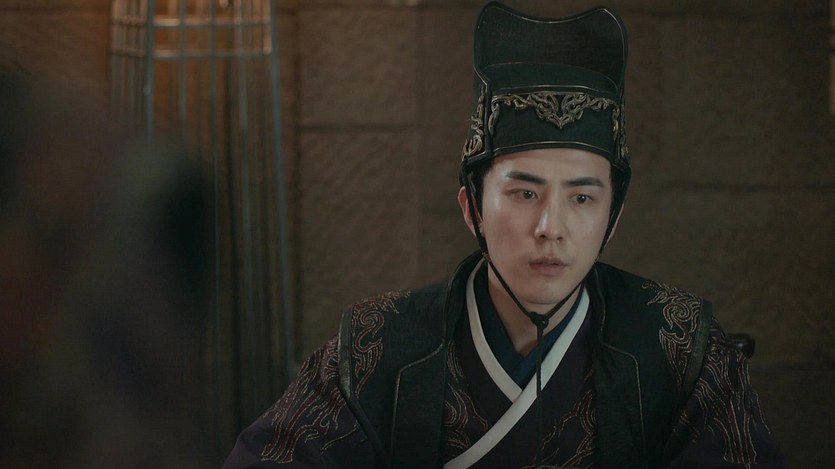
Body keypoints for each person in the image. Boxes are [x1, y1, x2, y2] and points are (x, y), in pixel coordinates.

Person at [223, 2, 784, 467]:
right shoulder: (377, 347)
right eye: (524, 193)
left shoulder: (680, 346)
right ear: (471, 207)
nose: (550, 228)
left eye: (582, 198)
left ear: (613, 216)